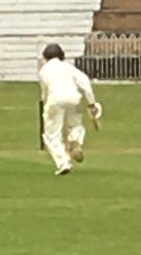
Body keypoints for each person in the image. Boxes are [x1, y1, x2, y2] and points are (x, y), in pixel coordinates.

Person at [38, 44, 101, 176]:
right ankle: (75, 139)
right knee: (75, 125)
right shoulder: (68, 67)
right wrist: (91, 103)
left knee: (51, 135)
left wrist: (45, 105)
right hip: (73, 97)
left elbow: (44, 92)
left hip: (55, 99)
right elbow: (85, 83)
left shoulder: (44, 70)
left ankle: (63, 162)